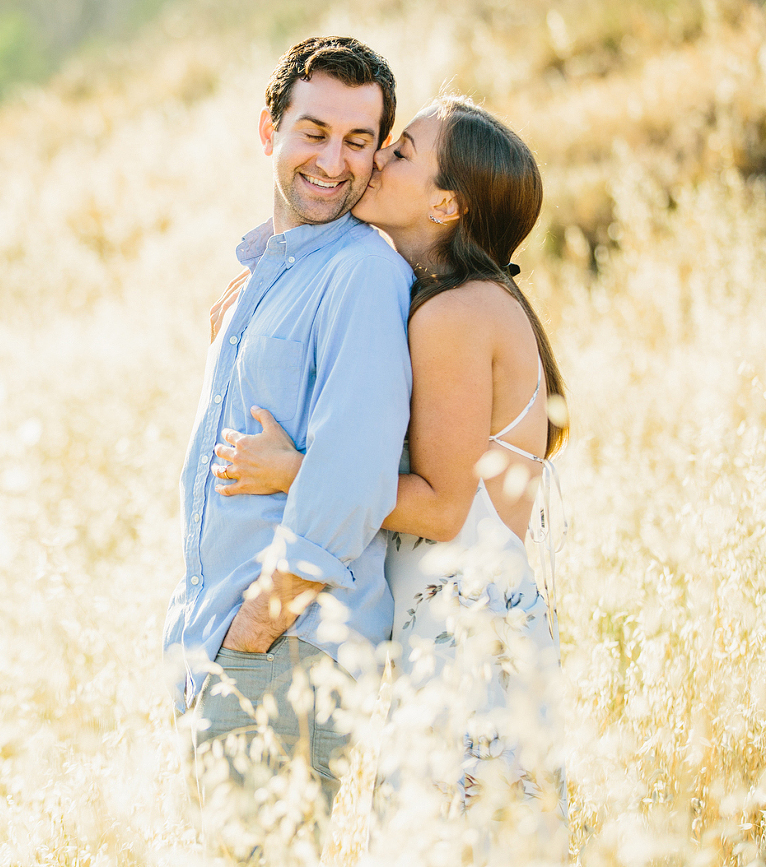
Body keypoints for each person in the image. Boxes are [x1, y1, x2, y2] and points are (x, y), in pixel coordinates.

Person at [209, 95, 568, 849]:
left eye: (400, 152)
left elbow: (442, 509)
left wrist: (293, 472)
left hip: (465, 637)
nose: (374, 160)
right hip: (460, 628)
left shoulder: (454, 316)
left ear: (445, 202)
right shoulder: (455, 300)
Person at [161, 35, 414, 846]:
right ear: (267, 130)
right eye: (314, 132)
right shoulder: (265, 275)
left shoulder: (363, 274)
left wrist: (256, 625)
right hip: (228, 647)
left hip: (286, 647)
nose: (333, 162)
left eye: (358, 141)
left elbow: (355, 474)